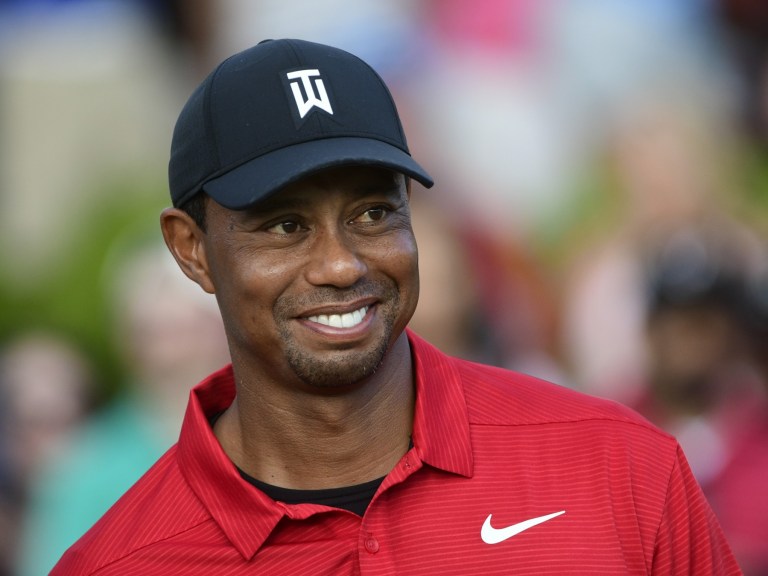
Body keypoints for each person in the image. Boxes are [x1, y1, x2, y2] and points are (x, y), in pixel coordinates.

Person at [52, 38, 742, 574]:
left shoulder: (620, 466)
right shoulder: (117, 563)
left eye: (375, 211)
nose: (341, 264)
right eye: (285, 225)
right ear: (192, 250)